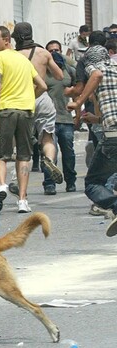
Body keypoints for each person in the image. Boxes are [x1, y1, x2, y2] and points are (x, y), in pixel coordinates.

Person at [0, 25, 47, 213]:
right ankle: (22, 200)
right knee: (24, 156)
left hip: (6, 109)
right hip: (26, 111)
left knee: (1, 154)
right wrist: (30, 96)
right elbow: (43, 86)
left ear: (7, 40)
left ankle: (2, 186)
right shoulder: (23, 60)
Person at [67, 46, 117, 236]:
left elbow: (95, 75)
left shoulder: (94, 67)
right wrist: (96, 119)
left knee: (93, 183)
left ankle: (115, 206)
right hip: (111, 128)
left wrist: (78, 102)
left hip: (113, 137)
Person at [12, 22, 65, 196]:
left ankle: (22, 189)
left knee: (23, 148)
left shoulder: (13, 56)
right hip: (42, 98)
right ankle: (49, 159)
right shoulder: (44, 53)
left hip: (22, 100)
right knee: (48, 137)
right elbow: (59, 75)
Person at [44, 41, 77, 192]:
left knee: (68, 153)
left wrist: (78, 113)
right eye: (51, 51)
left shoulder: (69, 70)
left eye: (57, 50)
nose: (54, 53)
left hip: (66, 118)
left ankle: (71, 182)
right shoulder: (43, 71)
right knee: (50, 154)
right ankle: (49, 183)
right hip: (48, 119)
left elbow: (78, 91)